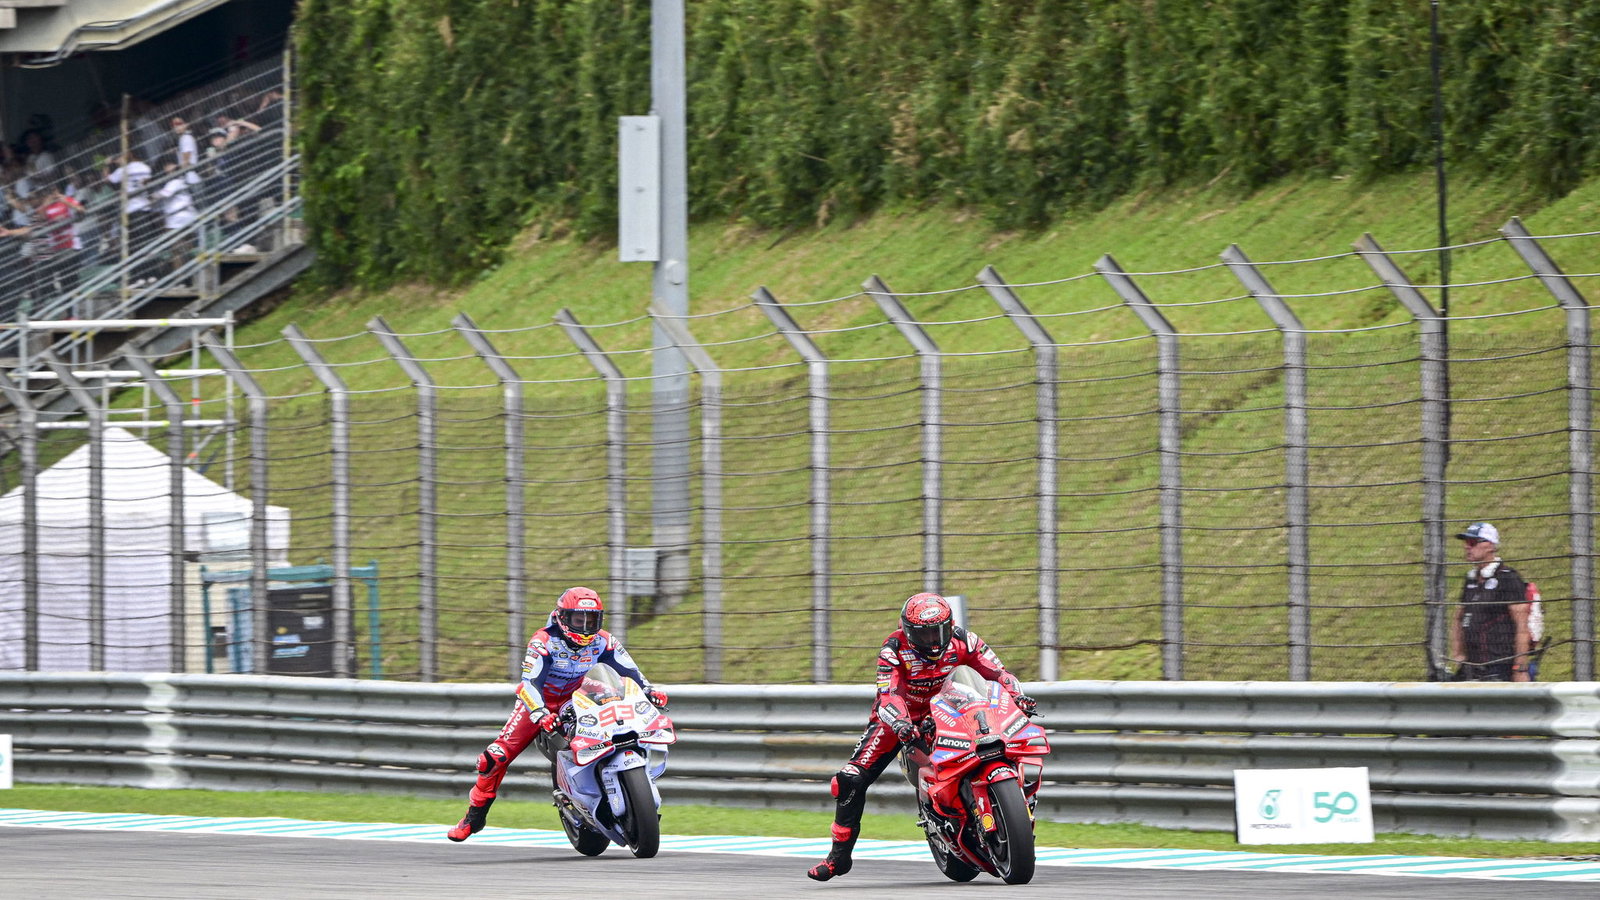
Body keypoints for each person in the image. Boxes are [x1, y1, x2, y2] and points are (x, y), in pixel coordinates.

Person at [806, 592, 1038, 881]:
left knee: (1000, 740)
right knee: (849, 779)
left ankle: (1010, 804)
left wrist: (1018, 696)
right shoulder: (893, 650)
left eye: (937, 632)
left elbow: (998, 674)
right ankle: (839, 857)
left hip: (954, 707)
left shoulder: (965, 640)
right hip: (904, 717)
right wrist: (901, 724)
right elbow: (888, 695)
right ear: (907, 631)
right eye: (923, 634)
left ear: (950, 626)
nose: (932, 641)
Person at [445, 586, 670, 842]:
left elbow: (631, 671)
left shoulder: (604, 640)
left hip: (580, 697)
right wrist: (539, 713)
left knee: (621, 724)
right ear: (563, 617)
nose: (585, 627)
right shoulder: (543, 641)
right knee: (494, 757)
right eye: (578, 620)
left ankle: (617, 789)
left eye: (591, 620)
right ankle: (474, 817)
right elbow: (529, 684)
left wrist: (649, 690)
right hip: (541, 703)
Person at [1449, 522, 1533, 683]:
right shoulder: (1471, 579)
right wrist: (1459, 654)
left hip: (1499, 668)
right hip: (1471, 667)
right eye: (1466, 542)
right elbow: (1459, 617)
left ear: (1490, 546)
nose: (1467, 547)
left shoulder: (1508, 578)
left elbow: (1522, 627)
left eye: (1472, 542)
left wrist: (1520, 668)